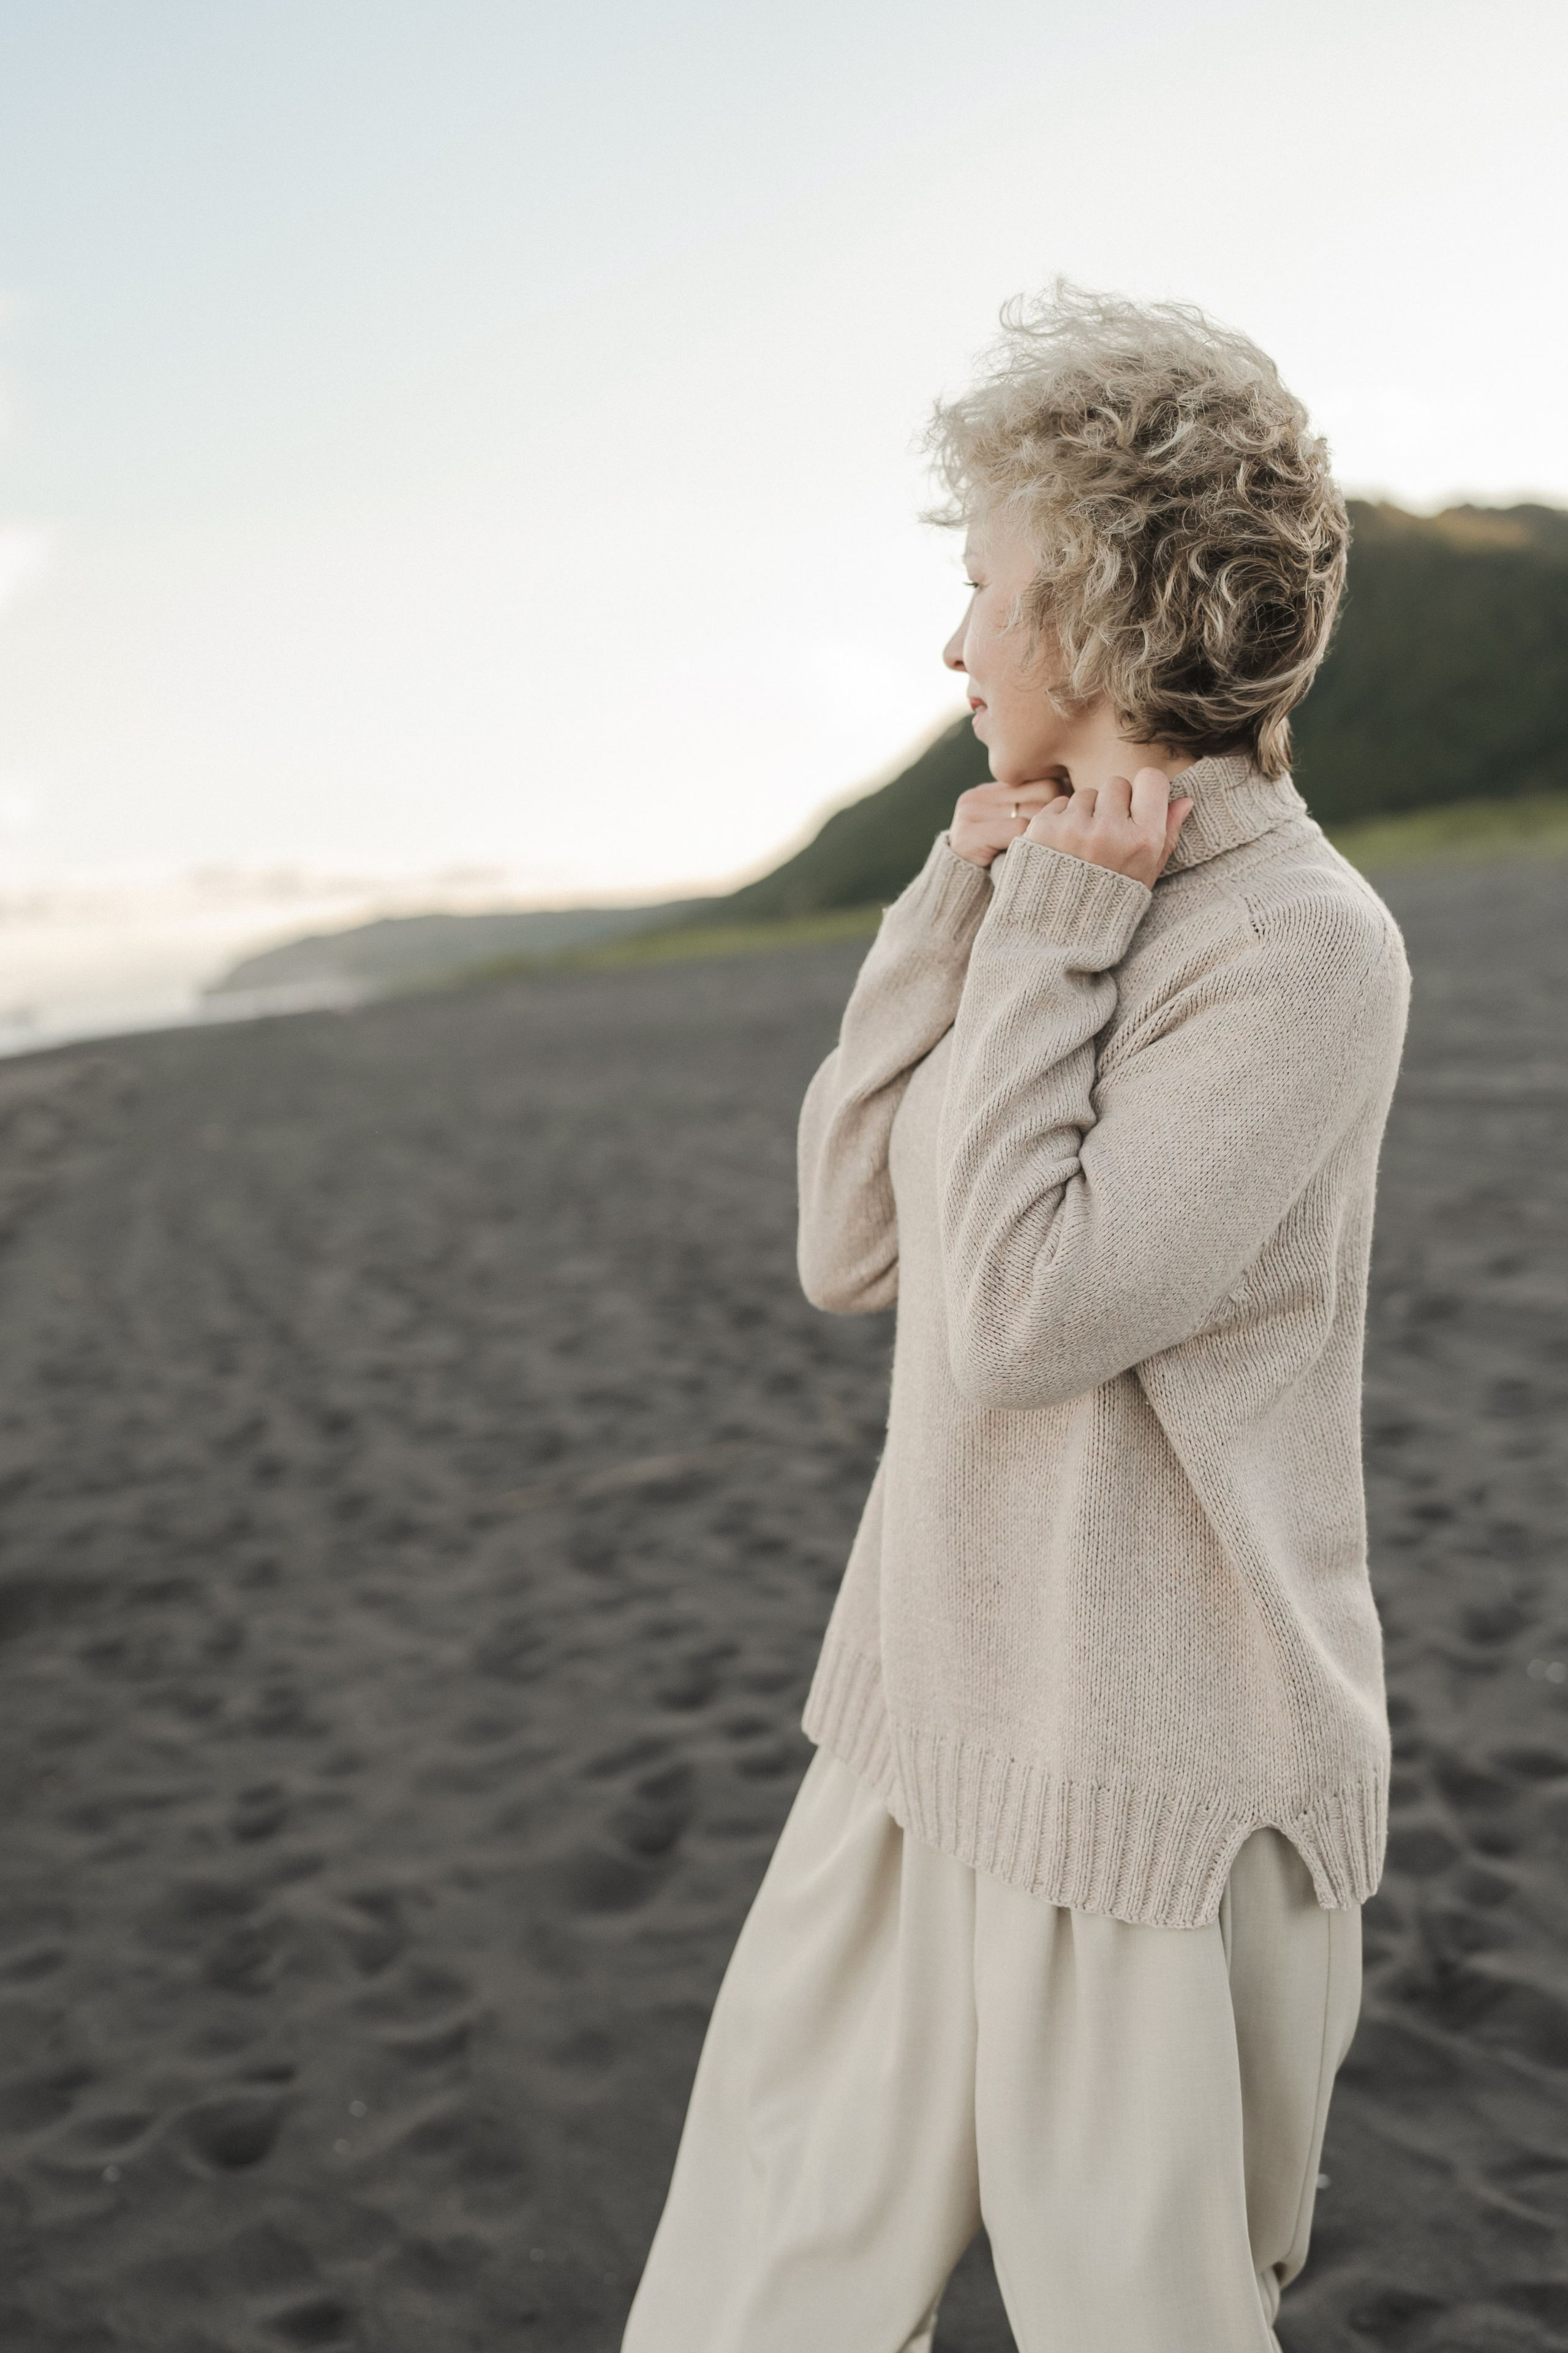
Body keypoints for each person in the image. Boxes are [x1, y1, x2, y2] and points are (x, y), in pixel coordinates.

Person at [622, 285, 1409, 2353]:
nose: (955, 645)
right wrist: (955, 906)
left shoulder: (1302, 945)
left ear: (1115, 608)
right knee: (736, 2308)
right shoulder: (1039, 882)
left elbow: (1022, 1305)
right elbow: (846, 1239)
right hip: (914, 1720)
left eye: (985, 589)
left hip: (1149, 1796)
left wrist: (1052, 937)